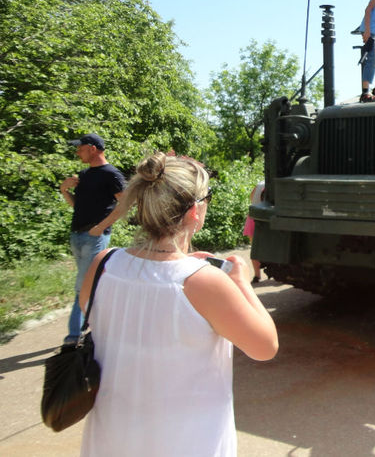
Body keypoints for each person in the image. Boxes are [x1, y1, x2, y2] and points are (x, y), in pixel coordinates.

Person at [78, 152, 278, 456]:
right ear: (194, 212)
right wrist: (240, 283)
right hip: (186, 443)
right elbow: (265, 347)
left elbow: (94, 314)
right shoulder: (204, 282)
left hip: (111, 439)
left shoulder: (102, 263)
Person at [58, 133, 125, 346]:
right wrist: (64, 190)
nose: (78, 152)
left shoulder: (111, 174)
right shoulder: (85, 174)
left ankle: (73, 336)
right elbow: (77, 206)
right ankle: (104, 325)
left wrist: (100, 228)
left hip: (94, 238)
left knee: (82, 285)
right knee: (92, 283)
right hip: (77, 235)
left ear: (93, 148)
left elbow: (125, 205)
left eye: (81, 148)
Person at [242, 180, 265, 283]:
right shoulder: (272, 184)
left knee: (254, 248)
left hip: (252, 218)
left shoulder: (259, 184)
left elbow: (252, 198)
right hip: (264, 219)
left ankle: (257, 275)